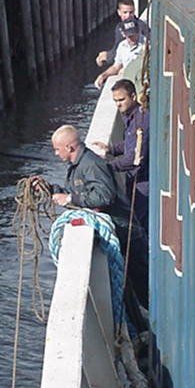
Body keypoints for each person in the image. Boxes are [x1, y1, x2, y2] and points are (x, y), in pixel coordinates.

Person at [39, 124, 149, 310]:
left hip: (125, 233)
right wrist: (50, 190)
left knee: (142, 288)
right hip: (120, 233)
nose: (56, 154)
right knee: (129, 291)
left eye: (57, 149)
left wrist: (69, 199)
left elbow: (105, 196)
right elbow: (79, 193)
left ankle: (153, 328)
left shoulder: (91, 164)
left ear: (69, 147)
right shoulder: (79, 165)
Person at [93, 79, 149, 234]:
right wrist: (111, 149)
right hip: (134, 179)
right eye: (115, 100)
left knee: (139, 222)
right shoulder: (129, 116)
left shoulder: (141, 121)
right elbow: (130, 144)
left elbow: (134, 159)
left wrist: (108, 166)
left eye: (121, 100)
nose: (118, 104)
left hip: (143, 183)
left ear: (133, 96)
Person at [95, 0, 149, 68]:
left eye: (131, 12)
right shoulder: (122, 26)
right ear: (119, 12)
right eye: (125, 12)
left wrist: (105, 57)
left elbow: (116, 52)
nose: (128, 16)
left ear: (134, 11)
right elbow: (119, 47)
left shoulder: (135, 26)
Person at [94, 18, 146, 90]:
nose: (132, 38)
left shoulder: (146, 45)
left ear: (138, 31)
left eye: (134, 34)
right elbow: (116, 67)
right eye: (129, 36)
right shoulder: (122, 46)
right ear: (123, 34)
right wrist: (103, 76)